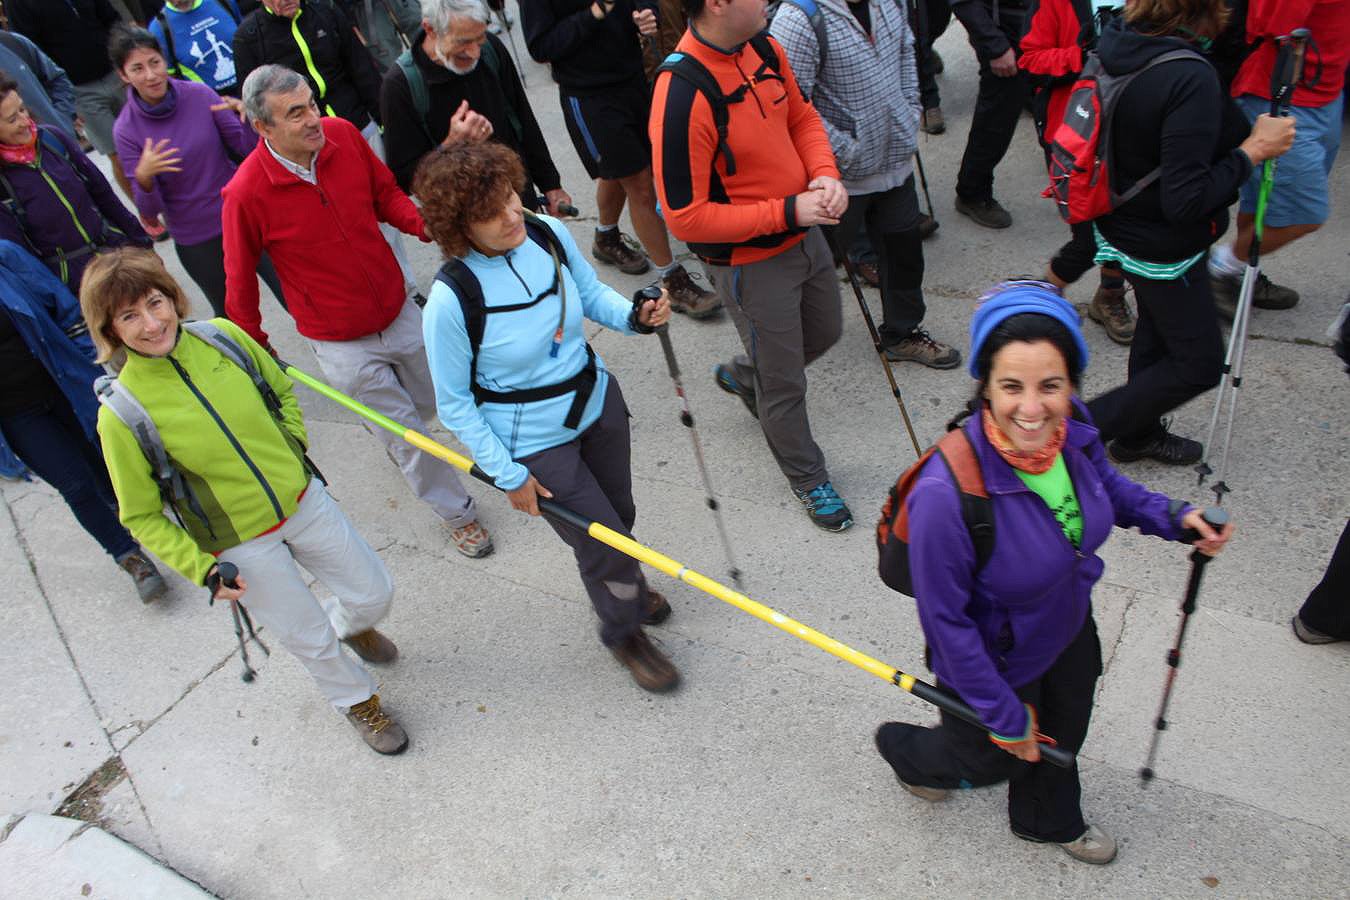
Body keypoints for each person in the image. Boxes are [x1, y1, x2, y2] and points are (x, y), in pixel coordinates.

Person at [874, 282, 1233, 864]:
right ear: (985, 386)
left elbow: (1107, 488)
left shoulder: (1073, 432)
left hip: (1065, 626)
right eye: (1011, 386)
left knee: (1062, 737)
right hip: (991, 658)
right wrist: (1000, 711)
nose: (1033, 409)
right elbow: (946, 623)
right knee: (988, 757)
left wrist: (1175, 517)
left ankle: (1048, 819)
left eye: (1051, 386)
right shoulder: (949, 493)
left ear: (1071, 386)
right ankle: (906, 752)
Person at [81, 248, 409, 754]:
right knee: (307, 637)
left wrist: (293, 447)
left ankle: (351, 624)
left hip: (303, 501)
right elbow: (141, 515)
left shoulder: (224, 337)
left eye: (155, 302)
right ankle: (359, 703)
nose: (151, 323)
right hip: (239, 544)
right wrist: (202, 570)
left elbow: (279, 389)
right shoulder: (121, 413)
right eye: (129, 316)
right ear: (109, 331)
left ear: (172, 297)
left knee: (373, 592)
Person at [416, 141, 680, 692]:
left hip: (598, 404)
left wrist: (635, 316)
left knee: (619, 517)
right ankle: (623, 629)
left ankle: (621, 581)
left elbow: (589, 296)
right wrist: (509, 475)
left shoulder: (544, 232)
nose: (514, 214)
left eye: (512, 197)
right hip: (534, 439)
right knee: (602, 540)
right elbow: (455, 406)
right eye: (493, 213)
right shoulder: (451, 300)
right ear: (460, 227)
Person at [223, 65, 493, 558]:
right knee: (408, 438)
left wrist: (425, 225)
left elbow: (386, 195)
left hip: (398, 309)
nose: (314, 120)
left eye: (312, 103)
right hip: (340, 342)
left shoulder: (344, 136)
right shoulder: (244, 194)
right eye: (296, 113)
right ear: (262, 128)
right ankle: (459, 513)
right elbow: (239, 283)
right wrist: (253, 355)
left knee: (444, 401)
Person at [650, 0, 853, 531]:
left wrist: (824, 174)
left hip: (805, 237)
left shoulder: (763, 45)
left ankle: (745, 376)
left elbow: (802, 117)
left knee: (825, 333)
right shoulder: (680, 93)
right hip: (751, 265)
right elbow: (686, 218)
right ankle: (809, 478)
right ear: (716, 3)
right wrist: (788, 210)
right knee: (785, 384)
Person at [1082, 1, 1293, 466]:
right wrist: (1254, 151)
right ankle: (1073, 434)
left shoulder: (1120, 39)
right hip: (1163, 245)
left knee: (1158, 328)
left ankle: (1137, 435)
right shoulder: (1187, 75)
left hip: (1125, 227)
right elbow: (1186, 201)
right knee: (1197, 364)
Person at [770, 0, 961, 370]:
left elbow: (907, 52)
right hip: (836, 183)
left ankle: (902, 333)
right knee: (808, 272)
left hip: (894, 164)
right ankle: (766, 365)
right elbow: (791, 105)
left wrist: (908, 112)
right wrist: (846, 150)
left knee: (904, 253)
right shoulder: (797, 19)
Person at [521, 0, 720, 318]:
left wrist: (646, 16)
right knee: (640, 183)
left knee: (618, 171)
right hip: (588, 96)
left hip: (633, 80)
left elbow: (644, 4)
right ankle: (672, 279)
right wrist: (594, 13)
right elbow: (542, 47)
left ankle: (606, 236)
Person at [0, 240, 166, 602]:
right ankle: (131, 557)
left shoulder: (4, 256)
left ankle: (152, 522)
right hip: (16, 415)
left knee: (107, 459)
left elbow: (63, 309)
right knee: (75, 485)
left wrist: (89, 361)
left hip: (63, 384)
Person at [233, 0, 419, 300]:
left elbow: (360, 66)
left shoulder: (326, 12)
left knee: (384, 210)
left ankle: (405, 287)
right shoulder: (248, 36)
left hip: (354, 124)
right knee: (343, 225)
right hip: (300, 146)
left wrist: (384, 122)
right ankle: (361, 294)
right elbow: (256, 106)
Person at [110, 24, 286, 318]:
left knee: (296, 294)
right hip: (197, 239)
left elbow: (246, 150)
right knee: (235, 324)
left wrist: (248, 118)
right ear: (123, 75)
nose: (151, 75)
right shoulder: (126, 130)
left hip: (245, 215)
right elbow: (149, 212)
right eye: (137, 68)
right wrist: (144, 177)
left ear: (164, 60)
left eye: (155, 62)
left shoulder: (199, 94)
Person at [1206, 0, 1349, 320]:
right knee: (1306, 213)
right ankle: (1221, 268)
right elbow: (1273, 26)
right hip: (1281, 94)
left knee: (1264, 202)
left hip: (1326, 91)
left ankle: (1242, 271)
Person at [380, 0, 572, 215]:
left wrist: (551, 185)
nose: (474, 53)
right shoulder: (400, 86)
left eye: (478, 40)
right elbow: (404, 179)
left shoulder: (491, 49)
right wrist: (451, 146)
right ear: (430, 29)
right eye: (463, 42)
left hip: (520, 201)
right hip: (465, 221)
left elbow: (523, 119)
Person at [1019, 0, 1136, 345]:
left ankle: (1110, 295)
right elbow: (1030, 61)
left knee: (1124, 225)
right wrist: (1086, 57)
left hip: (1130, 129)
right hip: (1076, 136)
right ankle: (1040, 302)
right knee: (1087, 240)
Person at [0, 77, 151, 293]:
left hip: (118, 253)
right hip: (75, 284)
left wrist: (141, 242)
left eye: (23, 109)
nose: (25, 121)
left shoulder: (53, 138)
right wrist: (62, 304)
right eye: (12, 119)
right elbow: (22, 259)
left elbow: (103, 194)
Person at [5, 0, 138, 203]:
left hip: (118, 73)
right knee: (118, 155)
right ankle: (148, 216)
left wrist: (128, 59)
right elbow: (34, 59)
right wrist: (63, 114)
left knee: (146, 138)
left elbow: (111, 18)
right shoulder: (17, 4)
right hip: (81, 91)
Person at [948, 0, 1030, 229]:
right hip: (1006, 29)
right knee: (998, 116)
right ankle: (973, 192)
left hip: (1049, 20)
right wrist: (994, 44)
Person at [148, 0, 246, 96]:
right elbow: (171, 78)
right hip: (213, 103)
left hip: (251, 89)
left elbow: (247, 39)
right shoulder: (159, 29)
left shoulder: (223, 2)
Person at [0, 29, 79, 143]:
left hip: (61, 146)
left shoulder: (11, 42)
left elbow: (58, 79)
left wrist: (62, 118)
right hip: (12, 159)